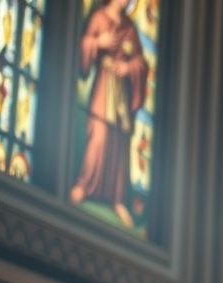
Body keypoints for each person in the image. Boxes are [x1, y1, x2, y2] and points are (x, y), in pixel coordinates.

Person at [70, 0, 150, 229]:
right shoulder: (98, 17)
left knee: (119, 141)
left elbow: (141, 63)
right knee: (99, 133)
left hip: (121, 92)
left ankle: (117, 199)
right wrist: (98, 42)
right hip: (104, 83)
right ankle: (83, 185)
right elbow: (84, 43)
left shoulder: (130, 27)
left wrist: (129, 68)